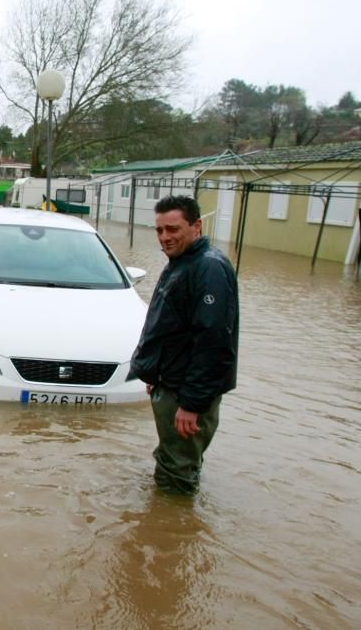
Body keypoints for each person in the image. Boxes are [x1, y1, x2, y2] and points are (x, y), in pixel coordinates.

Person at [129, 195, 239, 495]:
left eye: (173, 229)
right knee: (172, 461)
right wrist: (156, 375)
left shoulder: (208, 268)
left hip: (186, 395)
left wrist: (192, 404)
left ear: (196, 226)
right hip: (172, 385)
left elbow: (213, 342)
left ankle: (173, 535)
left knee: (176, 473)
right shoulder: (182, 262)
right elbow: (173, 329)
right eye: (160, 230)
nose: (165, 237)